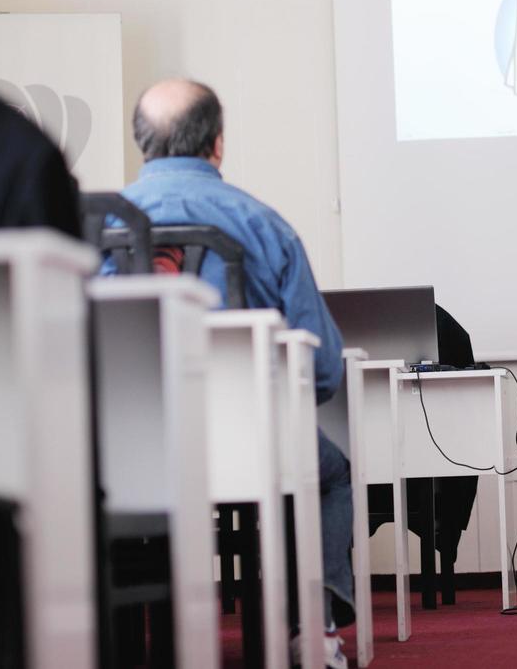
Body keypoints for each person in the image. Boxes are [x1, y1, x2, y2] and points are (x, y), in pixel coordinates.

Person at [115, 78, 352, 668]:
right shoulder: (265, 227)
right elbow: (322, 371)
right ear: (216, 144)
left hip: (123, 454)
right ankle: (311, 632)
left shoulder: (95, 230)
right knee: (329, 472)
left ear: (141, 144)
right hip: (251, 447)